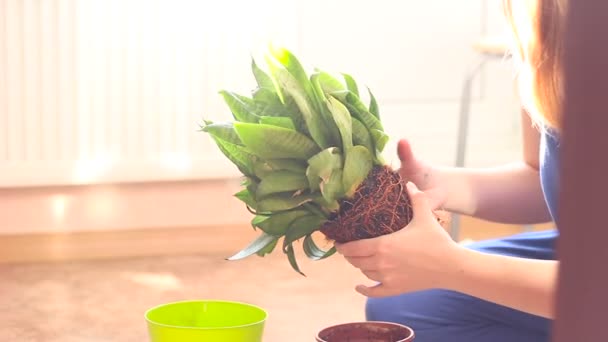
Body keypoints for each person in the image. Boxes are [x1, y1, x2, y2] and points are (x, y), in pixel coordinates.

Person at [335, 0, 567, 341]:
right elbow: (545, 181)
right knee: (404, 306)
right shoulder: (545, 30)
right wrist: (439, 185)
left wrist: (451, 266)